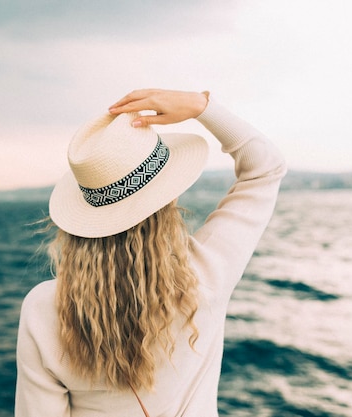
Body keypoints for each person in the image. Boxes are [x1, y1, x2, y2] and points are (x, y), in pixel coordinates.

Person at [15, 89, 287, 416]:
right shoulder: (207, 273)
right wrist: (202, 107)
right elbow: (265, 168)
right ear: (167, 202)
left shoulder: (43, 309)